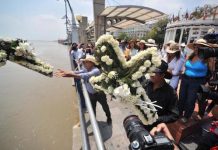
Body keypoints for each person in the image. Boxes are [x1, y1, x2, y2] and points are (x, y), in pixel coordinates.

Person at [55, 55, 112, 124]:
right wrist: (65, 72)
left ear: (91, 63)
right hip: (91, 94)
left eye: (86, 62)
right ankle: (94, 122)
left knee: (105, 107)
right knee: (92, 109)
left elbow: (85, 75)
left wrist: (68, 75)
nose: (84, 63)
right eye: (84, 62)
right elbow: (77, 72)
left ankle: (109, 117)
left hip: (99, 94)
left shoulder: (95, 70)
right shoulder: (85, 69)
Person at [178, 39, 210, 123]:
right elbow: (186, 66)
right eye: (195, 46)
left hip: (196, 82)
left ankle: (186, 116)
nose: (196, 48)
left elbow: (211, 72)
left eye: (199, 47)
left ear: (204, 48)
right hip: (185, 79)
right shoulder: (191, 55)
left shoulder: (208, 59)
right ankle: (179, 112)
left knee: (190, 100)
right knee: (181, 97)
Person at [143, 60, 179, 128]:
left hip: (154, 127)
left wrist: (156, 119)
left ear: (162, 75)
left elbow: (174, 115)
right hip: (140, 120)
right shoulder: (146, 83)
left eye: (154, 72)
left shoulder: (171, 93)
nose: (151, 74)